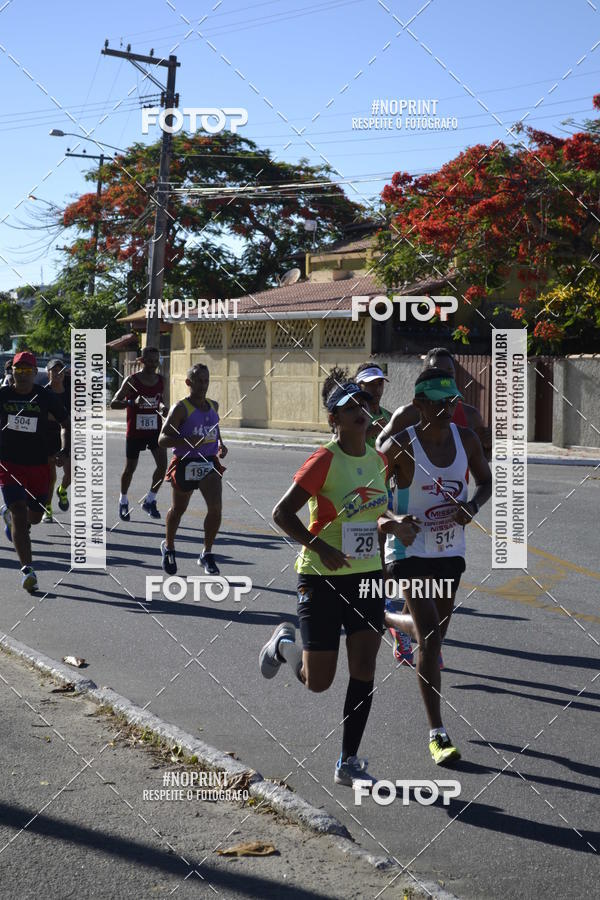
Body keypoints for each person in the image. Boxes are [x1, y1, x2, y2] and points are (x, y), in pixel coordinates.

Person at [258, 367, 419, 787]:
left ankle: (348, 760)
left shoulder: (378, 459)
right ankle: (284, 644)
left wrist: (395, 522)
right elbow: (281, 513)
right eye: (349, 407)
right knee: (318, 683)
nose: (361, 411)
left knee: (364, 668)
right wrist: (321, 548)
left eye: (363, 404)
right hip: (322, 578)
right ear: (334, 419)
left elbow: (372, 511)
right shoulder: (323, 460)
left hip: (367, 577)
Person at [380, 368, 492, 765]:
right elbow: (373, 495)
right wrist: (395, 520)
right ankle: (438, 733)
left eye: (454, 402)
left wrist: (473, 507)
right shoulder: (399, 446)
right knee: (429, 636)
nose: (450, 409)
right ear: (419, 404)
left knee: (436, 636)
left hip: (450, 551)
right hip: (408, 551)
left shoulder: (467, 439)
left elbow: (486, 482)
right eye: (441, 402)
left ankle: (390, 620)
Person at [376, 347, 492, 663]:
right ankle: (409, 633)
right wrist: (391, 505)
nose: (445, 382)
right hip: (409, 509)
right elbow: (380, 450)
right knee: (424, 614)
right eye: (437, 373)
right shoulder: (408, 415)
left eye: (449, 376)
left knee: (435, 614)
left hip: (450, 517)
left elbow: (484, 463)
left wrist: (471, 503)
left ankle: (418, 636)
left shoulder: (468, 416)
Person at [0, 351, 70, 592]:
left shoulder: (45, 397)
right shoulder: (3, 395)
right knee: (19, 512)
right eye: (19, 371)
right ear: (12, 373)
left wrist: (64, 449)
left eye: (28, 371)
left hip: (39, 464)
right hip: (8, 464)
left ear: (34, 374)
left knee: (35, 517)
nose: (23, 376)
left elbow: (65, 423)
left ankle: (9, 517)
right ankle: (28, 571)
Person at [158, 363, 228, 576]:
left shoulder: (213, 405)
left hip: (208, 461)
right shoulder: (181, 408)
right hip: (185, 463)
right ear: (189, 383)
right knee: (179, 509)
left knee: (215, 508)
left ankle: (207, 553)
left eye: (206, 381)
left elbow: (213, 428)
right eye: (198, 381)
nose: (203, 385)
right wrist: (187, 439)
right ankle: (169, 547)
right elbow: (162, 439)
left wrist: (221, 444)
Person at [110, 346, 167, 521]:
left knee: (162, 466)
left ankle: (150, 500)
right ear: (142, 361)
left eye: (155, 361)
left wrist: (164, 408)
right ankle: (123, 501)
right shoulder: (132, 380)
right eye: (149, 360)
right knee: (130, 469)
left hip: (154, 430)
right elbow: (114, 403)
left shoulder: (161, 380)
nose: (153, 364)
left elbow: (160, 400)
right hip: (135, 431)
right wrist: (132, 402)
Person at [42, 359, 71, 522]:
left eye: (60, 371)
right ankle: (48, 508)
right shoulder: (44, 393)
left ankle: (63, 490)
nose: (58, 374)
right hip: (50, 436)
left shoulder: (70, 392)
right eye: (54, 371)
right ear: (48, 373)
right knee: (51, 477)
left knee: (71, 472)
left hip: (68, 434)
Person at [354, 363, 392, 448]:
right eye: (371, 384)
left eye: (380, 383)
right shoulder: (352, 417)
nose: (377, 389)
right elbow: (344, 447)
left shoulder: (390, 417)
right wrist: (369, 432)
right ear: (359, 385)